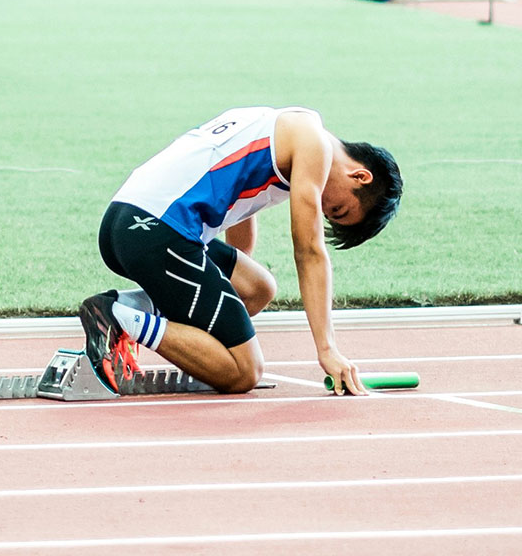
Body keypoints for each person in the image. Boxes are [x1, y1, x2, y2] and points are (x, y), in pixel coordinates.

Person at [79, 106, 403, 396]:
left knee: (258, 288)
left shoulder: (287, 125)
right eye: (338, 209)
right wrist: (327, 349)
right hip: (156, 232)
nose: (323, 209)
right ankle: (119, 318)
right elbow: (309, 250)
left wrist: (224, 296)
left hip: (127, 221)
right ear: (360, 176)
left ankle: (131, 306)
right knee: (245, 372)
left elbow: (243, 206)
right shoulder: (313, 145)